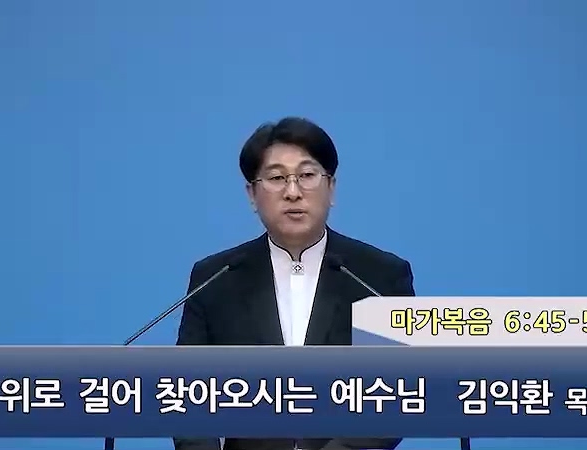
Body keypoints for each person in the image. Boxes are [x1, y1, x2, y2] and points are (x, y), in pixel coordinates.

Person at [174, 117, 415, 450]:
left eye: (307, 175)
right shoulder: (216, 277)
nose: (292, 192)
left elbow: (395, 395)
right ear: (252, 194)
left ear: (331, 188)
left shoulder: (379, 275)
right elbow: (187, 397)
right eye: (276, 178)